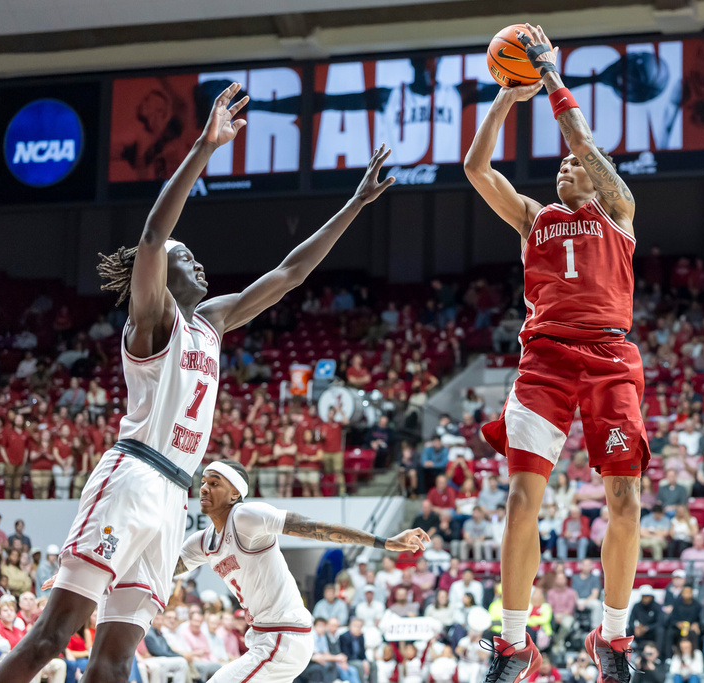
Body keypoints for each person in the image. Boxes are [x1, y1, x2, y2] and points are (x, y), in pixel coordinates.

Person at [0, 85, 397, 683]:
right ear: (160, 275)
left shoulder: (211, 320)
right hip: (131, 477)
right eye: (189, 259)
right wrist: (205, 146)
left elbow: (287, 274)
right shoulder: (153, 320)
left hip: (172, 497)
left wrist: (357, 204)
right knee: (54, 637)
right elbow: (155, 237)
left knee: (116, 658)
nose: (198, 264)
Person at [467, 24, 648, 683]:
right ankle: (514, 644)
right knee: (521, 499)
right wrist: (504, 98)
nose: (568, 165)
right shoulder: (532, 217)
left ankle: (614, 637)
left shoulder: (619, 210)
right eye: (562, 165)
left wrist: (549, 77)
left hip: (608, 358)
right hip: (543, 360)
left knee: (624, 498)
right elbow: (475, 169)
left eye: (578, 164)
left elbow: (584, 141)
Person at [170, 461, 427, 682]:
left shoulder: (245, 516)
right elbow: (163, 571)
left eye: (214, 483)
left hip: (283, 636)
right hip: (264, 637)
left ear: (235, 493)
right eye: (203, 481)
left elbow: (314, 527)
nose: (204, 487)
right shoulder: (202, 542)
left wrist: (383, 542)